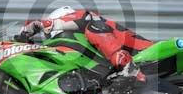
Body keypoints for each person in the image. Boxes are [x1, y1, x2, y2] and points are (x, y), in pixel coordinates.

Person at [18, 6, 152, 82]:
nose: (48, 38)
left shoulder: (83, 17)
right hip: (121, 63)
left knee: (93, 27)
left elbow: (83, 18)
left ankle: (125, 63)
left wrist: (45, 23)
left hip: (143, 51)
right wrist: (23, 38)